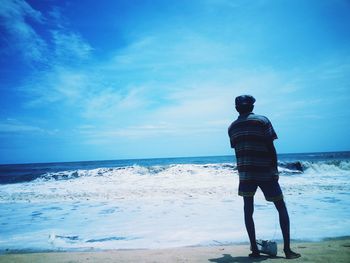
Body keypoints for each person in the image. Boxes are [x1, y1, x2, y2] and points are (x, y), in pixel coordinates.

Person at [228, 95, 300, 259]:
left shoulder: (232, 128)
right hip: (265, 171)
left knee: (248, 210)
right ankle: (287, 250)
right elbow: (270, 146)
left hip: (245, 174)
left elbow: (238, 150)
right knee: (280, 206)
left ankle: (254, 250)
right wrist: (274, 169)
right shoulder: (262, 121)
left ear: (236, 108)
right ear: (252, 106)